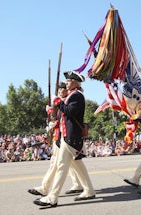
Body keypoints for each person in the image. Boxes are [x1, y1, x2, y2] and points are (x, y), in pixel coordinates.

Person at [34, 71, 95, 207]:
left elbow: (70, 112)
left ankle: (52, 197)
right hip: (66, 136)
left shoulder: (77, 96)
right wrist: (53, 110)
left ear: (74, 82)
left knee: (61, 166)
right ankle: (89, 190)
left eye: (68, 81)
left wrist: (58, 101)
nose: (66, 83)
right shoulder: (71, 96)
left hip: (71, 136)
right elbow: (62, 114)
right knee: (78, 166)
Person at [28, 82, 82, 197]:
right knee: (72, 163)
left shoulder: (66, 101)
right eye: (59, 89)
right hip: (59, 137)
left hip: (64, 137)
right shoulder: (61, 102)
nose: (60, 91)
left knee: (58, 164)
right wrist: (51, 116)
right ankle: (79, 185)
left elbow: (65, 119)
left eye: (62, 89)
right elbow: (57, 119)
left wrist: (55, 121)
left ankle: (46, 189)